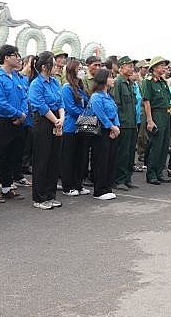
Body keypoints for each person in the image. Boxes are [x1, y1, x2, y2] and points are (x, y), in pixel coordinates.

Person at [0, 44, 27, 203]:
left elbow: (24, 97)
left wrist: (23, 114)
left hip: (18, 121)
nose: (18, 58)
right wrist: (18, 114)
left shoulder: (17, 76)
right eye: (15, 55)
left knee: (13, 154)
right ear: (6, 58)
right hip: (2, 121)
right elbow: (0, 102)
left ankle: (7, 186)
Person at [27, 51, 64, 210]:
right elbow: (40, 105)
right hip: (43, 121)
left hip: (57, 119)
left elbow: (61, 101)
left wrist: (61, 118)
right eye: (53, 64)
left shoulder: (55, 82)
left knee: (54, 159)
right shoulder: (36, 84)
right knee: (42, 159)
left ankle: (51, 194)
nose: (57, 67)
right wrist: (55, 120)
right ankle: (39, 197)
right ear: (44, 67)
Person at [60, 59, 90, 196]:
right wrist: (85, 115)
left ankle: (78, 183)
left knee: (81, 157)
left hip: (82, 127)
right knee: (69, 158)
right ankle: (68, 185)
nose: (82, 71)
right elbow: (70, 108)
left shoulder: (81, 88)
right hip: (71, 127)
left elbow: (87, 104)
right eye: (79, 69)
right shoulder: (67, 88)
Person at [88, 69, 119, 200]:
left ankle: (107, 186)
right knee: (100, 159)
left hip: (111, 130)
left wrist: (116, 126)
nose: (113, 79)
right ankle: (99, 190)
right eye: (110, 77)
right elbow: (100, 114)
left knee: (110, 159)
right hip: (101, 131)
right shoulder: (96, 96)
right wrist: (111, 126)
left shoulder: (109, 96)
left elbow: (115, 112)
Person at [141, 56, 171, 185]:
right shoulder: (148, 81)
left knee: (164, 145)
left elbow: (168, 100)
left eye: (164, 65)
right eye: (161, 66)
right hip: (156, 114)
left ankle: (160, 171)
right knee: (156, 145)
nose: (164, 68)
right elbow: (146, 102)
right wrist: (150, 120)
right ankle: (152, 173)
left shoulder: (162, 82)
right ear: (154, 68)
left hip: (165, 114)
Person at [111, 57, 140, 189]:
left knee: (130, 153)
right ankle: (119, 180)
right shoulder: (118, 83)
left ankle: (127, 178)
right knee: (122, 153)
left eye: (132, 66)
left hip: (132, 123)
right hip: (123, 123)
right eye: (128, 66)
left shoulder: (130, 83)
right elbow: (116, 105)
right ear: (121, 67)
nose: (131, 69)